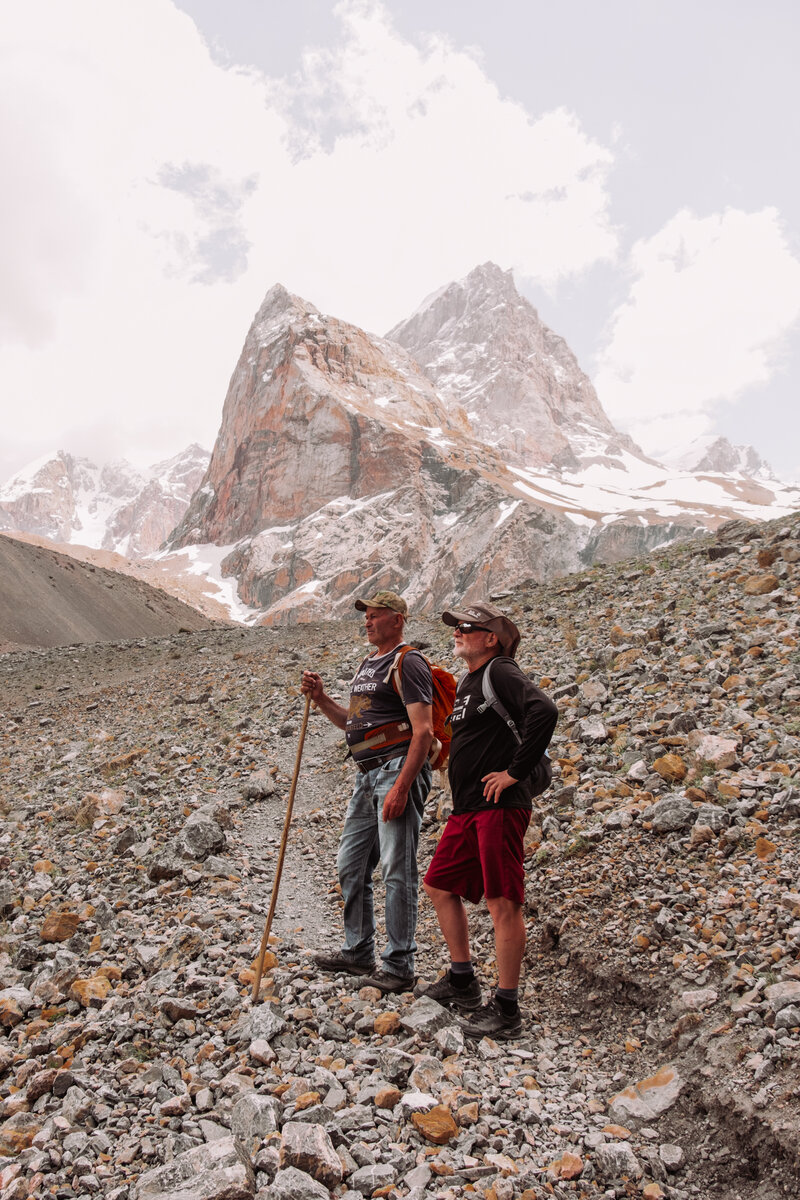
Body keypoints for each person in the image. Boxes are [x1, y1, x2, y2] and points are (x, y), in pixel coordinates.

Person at [418, 601, 557, 1039]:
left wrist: (515, 771)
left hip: (499, 806)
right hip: (469, 808)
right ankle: (463, 980)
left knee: (503, 903)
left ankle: (507, 1008)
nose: (456, 632)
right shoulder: (468, 682)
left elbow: (545, 711)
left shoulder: (500, 671)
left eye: (466, 627)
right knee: (439, 885)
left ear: (491, 637)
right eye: (456, 627)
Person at [301, 590, 433, 993]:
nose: (368, 621)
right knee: (350, 863)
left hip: (395, 770)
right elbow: (352, 723)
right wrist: (322, 698)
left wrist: (402, 786)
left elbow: (423, 730)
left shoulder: (408, 661)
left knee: (397, 867)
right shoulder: (367, 664)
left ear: (398, 620)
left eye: (376, 616)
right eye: (366, 616)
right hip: (366, 774)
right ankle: (358, 952)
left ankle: (399, 965)